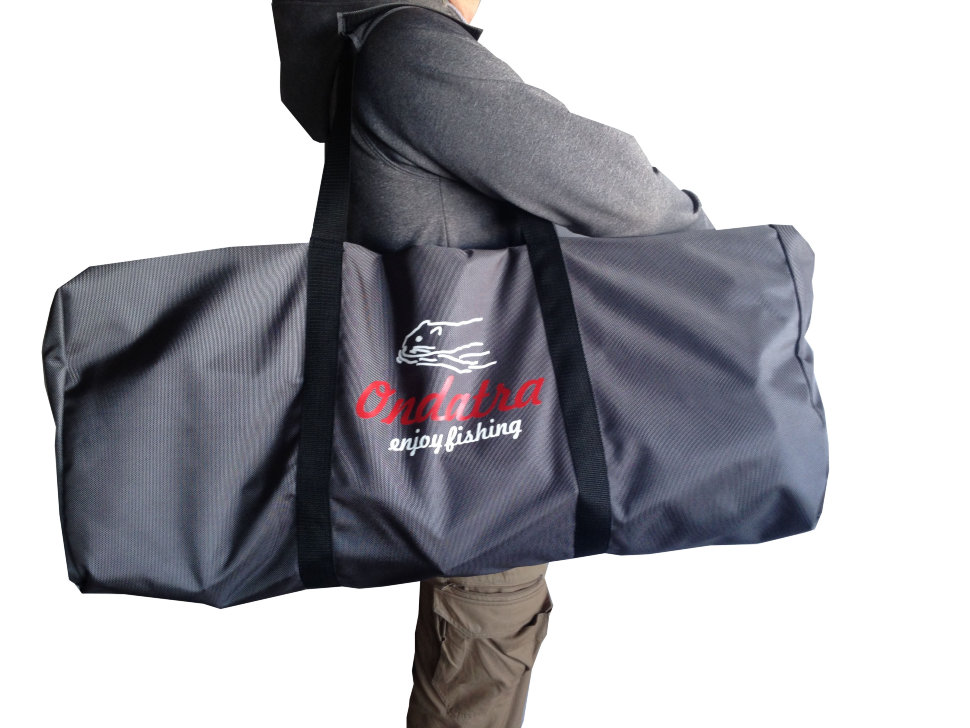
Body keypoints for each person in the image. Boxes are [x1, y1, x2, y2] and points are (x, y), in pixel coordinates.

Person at [334, 1, 714, 725]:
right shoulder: (411, 48)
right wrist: (702, 239)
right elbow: (620, 191)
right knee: (479, 665)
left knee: (479, 656)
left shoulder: (376, 51)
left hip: (465, 432)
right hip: (486, 454)